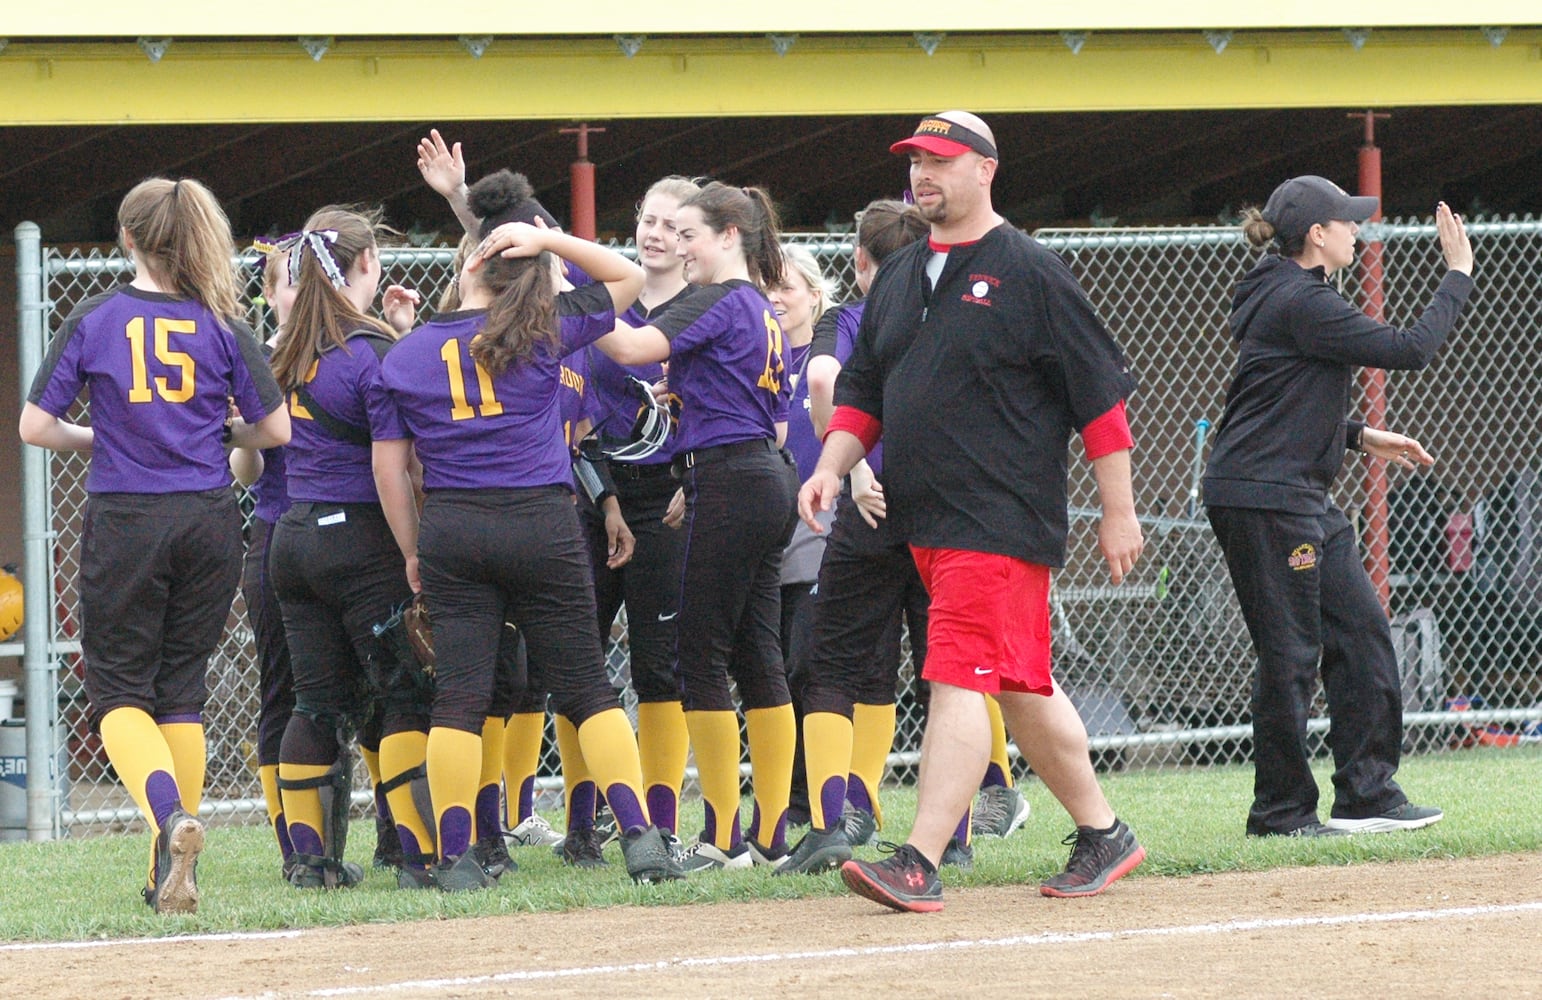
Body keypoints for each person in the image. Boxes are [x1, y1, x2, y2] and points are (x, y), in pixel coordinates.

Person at [799, 112, 1146, 911]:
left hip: (998, 518)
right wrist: (829, 468)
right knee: (1019, 685)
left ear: (985, 170)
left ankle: (918, 860)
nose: (923, 175)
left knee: (955, 676)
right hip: (925, 518)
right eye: (915, 162)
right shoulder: (901, 275)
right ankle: (1105, 833)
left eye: (941, 161)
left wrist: (1117, 511)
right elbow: (862, 394)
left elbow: (1100, 402)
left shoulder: (1030, 269)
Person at [375, 203, 683, 889]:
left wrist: (410, 549)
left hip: (454, 522)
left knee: (459, 695)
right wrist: (549, 238)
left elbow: (392, 470)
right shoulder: (539, 331)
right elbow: (629, 278)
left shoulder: (407, 353)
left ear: (472, 266)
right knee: (586, 687)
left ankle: (457, 857)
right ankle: (640, 839)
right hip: (540, 519)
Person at [20, 177, 291, 914]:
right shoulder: (225, 323)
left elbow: (35, 427)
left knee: (117, 695)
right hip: (207, 520)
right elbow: (274, 432)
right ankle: (171, 874)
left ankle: (171, 817)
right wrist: (218, 432)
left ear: (129, 238)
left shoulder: (97, 315)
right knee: (180, 693)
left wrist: (99, 434)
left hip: (128, 520)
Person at [1202, 177, 1474, 837]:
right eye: (1346, 222)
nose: (1357, 230)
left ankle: (1367, 794)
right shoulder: (1299, 299)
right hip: (1267, 499)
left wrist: (1356, 435)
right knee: (1291, 652)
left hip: (1296, 494)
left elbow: (1278, 398)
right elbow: (1410, 350)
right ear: (1316, 236)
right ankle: (1281, 812)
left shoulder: (1292, 294)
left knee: (1361, 633)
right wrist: (1458, 274)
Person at [592, 181, 802, 872]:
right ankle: (768, 836)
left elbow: (627, 349)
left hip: (735, 479)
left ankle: (722, 838)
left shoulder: (719, 297)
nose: (679, 248)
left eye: (690, 235)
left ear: (728, 236)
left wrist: (566, 300)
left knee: (698, 655)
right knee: (755, 655)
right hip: (758, 476)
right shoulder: (757, 305)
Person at [266, 206, 429, 890]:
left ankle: (309, 864)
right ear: (365, 265)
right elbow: (391, 471)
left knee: (317, 702)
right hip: (361, 538)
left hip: (293, 538)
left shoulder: (289, 349)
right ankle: (421, 857)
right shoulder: (371, 353)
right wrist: (414, 553)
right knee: (407, 695)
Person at [574, 175, 701, 856]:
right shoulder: (604, 302)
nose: (656, 235)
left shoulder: (706, 308)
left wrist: (696, 480)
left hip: (667, 502)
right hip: (594, 494)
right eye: (648, 220)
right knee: (579, 661)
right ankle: (582, 822)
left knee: (660, 667)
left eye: (674, 226)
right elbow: (578, 421)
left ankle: (660, 822)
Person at [229, 247, 303, 877]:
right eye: (287, 284)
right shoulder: (260, 358)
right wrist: (240, 429)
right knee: (284, 691)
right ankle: (294, 845)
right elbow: (246, 472)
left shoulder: (358, 348)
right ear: (270, 296)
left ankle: (393, 838)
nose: (299, 293)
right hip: (280, 533)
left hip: (356, 539)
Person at [766, 243, 836, 828]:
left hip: (820, 524)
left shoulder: (826, 357)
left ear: (815, 294)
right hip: (767, 528)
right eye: (767, 286)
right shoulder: (756, 356)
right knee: (772, 669)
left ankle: (811, 802)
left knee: (806, 663)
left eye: (786, 285)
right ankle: (784, 801)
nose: (776, 296)